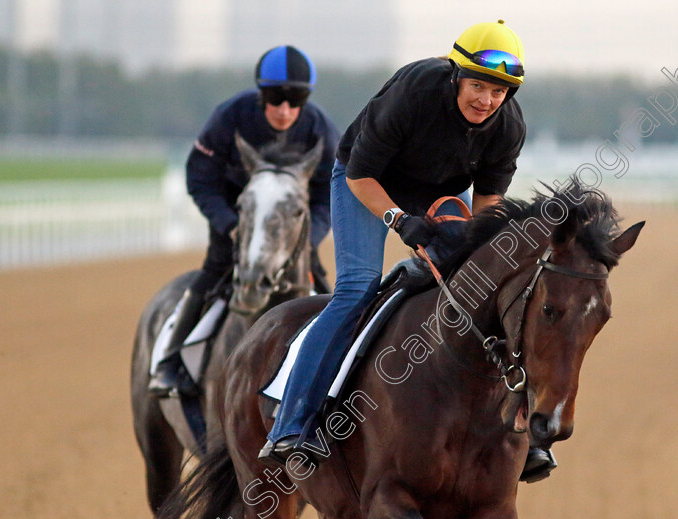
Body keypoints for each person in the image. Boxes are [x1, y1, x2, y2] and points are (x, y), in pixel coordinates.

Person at [261, 20, 553, 478]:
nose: (486, 101)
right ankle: (291, 422)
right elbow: (360, 175)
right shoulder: (415, 90)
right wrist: (400, 220)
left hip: (436, 197)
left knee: (497, 293)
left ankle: (526, 430)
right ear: (456, 76)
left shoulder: (508, 126)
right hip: (366, 181)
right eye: (478, 86)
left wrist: (474, 251)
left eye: (498, 93)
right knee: (358, 288)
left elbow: (489, 203)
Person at [148, 45, 341, 397]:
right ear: (259, 94)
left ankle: (341, 364)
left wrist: (307, 238)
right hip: (240, 219)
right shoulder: (229, 117)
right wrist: (228, 223)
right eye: (274, 99)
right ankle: (170, 362)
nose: (284, 111)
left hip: (292, 229)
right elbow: (200, 176)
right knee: (214, 270)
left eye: (294, 100)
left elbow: (332, 193)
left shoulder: (321, 130)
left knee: (324, 286)